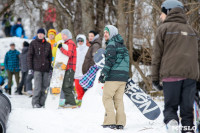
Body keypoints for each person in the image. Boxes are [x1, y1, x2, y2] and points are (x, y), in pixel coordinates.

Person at [151, 0, 200, 132]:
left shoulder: (163, 29)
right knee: (187, 112)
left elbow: (157, 56)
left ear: (168, 11)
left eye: (162, 13)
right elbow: (198, 57)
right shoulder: (193, 31)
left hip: (171, 75)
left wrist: (154, 78)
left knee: (171, 108)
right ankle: (188, 129)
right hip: (190, 77)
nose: (161, 16)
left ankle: (172, 123)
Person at [99, 25, 129, 130]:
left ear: (112, 33)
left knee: (107, 97)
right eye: (104, 32)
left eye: (107, 32)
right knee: (118, 100)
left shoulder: (111, 44)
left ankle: (110, 121)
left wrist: (103, 74)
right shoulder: (123, 46)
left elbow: (110, 60)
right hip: (123, 78)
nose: (105, 34)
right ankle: (120, 123)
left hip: (113, 77)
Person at [28, 28, 52, 108]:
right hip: (37, 69)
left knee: (44, 87)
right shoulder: (33, 43)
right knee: (37, 87)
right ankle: (35, 103)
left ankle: (42, 103)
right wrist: (30, 68)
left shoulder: (48, 44)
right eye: (39, 33)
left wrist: (50, 67)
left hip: (46, 69)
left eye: (42, 33)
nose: (40, 35)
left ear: (44, 35)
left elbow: (50, 57)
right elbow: (30, 56)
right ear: (37, 34)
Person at [57, 29, 77, 107]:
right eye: (62, 35)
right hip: (66, 68)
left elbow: (70, 54)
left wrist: (61, 49)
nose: (62, 36)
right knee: (65, 85)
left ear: (68, 35)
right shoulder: (65, 43)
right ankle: (68, 102)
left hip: (70, 68)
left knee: (67, 86)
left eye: (64, 35)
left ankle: (71, 103)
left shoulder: (70, 43)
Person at [74, 34, 88, 105]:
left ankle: (85, 103)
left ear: (84, 41)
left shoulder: (87, 49)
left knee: (85, 90)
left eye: (81, 40)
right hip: (77, 73)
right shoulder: (76, 50)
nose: (80, 42)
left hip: (84, 73)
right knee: (78, 89)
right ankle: (79, 102)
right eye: (78, 41)